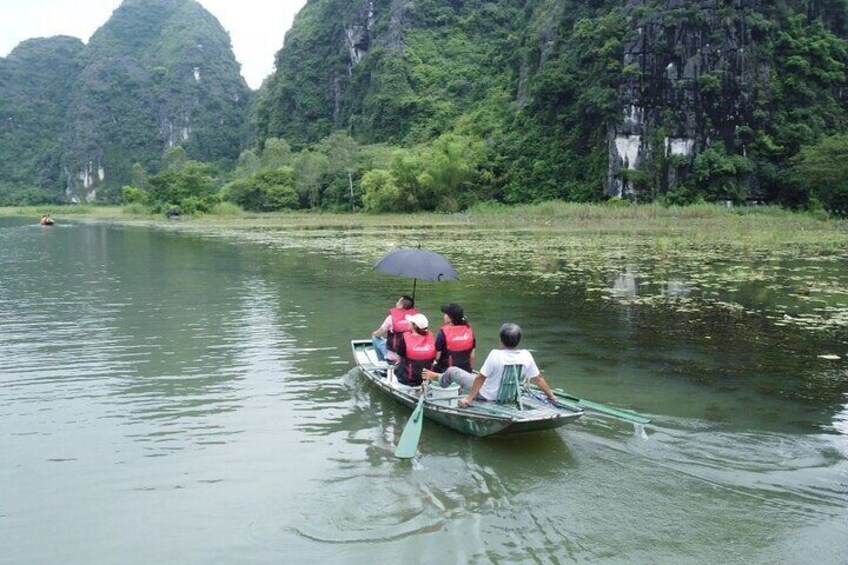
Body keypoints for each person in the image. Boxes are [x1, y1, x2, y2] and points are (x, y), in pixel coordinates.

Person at [423, 322, 557, 408]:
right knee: (471, 376)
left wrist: (468, 399)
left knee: (452, 371)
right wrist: (551, 396)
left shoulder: (495, 354)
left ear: (501, 339)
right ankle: (443, 378)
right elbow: (538, 378)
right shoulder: (526, 355)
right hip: (510, 396)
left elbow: (480, 378)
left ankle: (438, 379)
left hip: (487, 395)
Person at [371, 295, 417, 362]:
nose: (397, 302)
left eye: (398, 301)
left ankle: (381, 362)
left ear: (400, 305)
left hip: (395, 355)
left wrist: (374, 333)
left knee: (374, 337)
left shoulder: (391, 318)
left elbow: (379, 333)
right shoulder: (417, 318)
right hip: (411, 354)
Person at [394, 313, 435, 386]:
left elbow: (399, 358)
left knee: (397, 367)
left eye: (410, 322)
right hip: (428, 378)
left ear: (414, 326)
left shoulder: (405, 337)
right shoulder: (431, 336)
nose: (408, 323)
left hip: (408, 380)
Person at [434, 303, 475, 373]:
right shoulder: (469, 331)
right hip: (466, 370)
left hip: (447, 372)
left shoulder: (442, 333)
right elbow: (472, 356)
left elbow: (437, 357)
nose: (444, 316)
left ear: (450, 318)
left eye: (445, 314)